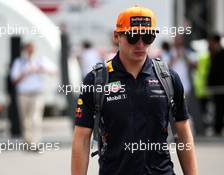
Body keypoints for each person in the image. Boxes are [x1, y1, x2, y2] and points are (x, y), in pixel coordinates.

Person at [71, 6, 198, 175]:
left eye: (147, 37)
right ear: (117, 36)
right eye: (132, 37)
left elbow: (183, 132)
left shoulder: (168, 78)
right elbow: (81, 138)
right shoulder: (96, 80)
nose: (140, 44)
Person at [11, 42, 57, 147]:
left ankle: (35, 142)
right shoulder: (19, 62)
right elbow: (14, 80)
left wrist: (41, 69)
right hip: (23, 94)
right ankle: (27, 141)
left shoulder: (40, 60)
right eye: (28, 49)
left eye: (32, 49)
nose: (30, 51)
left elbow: (54, 70)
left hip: (37, 93)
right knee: (25, 120)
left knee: (36, 118)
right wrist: (26, 72)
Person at [207, 34, 224, 136]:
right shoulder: (214, 53)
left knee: (219, 108)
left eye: (211, 42)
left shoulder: (220, 54)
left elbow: (215, 71)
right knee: (218, 108)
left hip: (220, 86)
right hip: (217, 87)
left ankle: (218, 129)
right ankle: (218, 128)